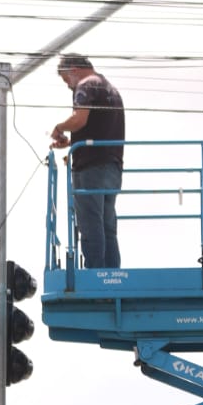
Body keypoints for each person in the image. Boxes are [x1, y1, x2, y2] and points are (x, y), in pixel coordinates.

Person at [50, 53, 124, 269]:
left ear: (73, 70)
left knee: (90, 224)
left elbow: (80, 119)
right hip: (112, 167)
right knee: (107, 226)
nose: (68, 86)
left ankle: (95, 276)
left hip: (90, 169)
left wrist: (60, 128)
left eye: (66, 79)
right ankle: (112, 276)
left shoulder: (85, 85)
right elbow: (98, 127)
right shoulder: (109, 88)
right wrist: (72, 143)